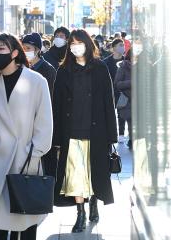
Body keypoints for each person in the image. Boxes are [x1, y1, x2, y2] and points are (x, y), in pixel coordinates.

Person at [0, 33, 53, 240]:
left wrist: (35, 152)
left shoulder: (36, 81)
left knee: (25, 217)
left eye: (1, 49)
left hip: (25, 158)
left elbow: (45, 121)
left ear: (15, 52)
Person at [52, 29, 117, 233]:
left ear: (88, 44)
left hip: (96, 131)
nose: (75, 46)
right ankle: (80, 213)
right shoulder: (64, 70)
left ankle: (94, 202)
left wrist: (112, 135)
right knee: (75, 175)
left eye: (79, 42)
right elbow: (57, 104)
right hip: (71, 131)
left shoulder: (100, 68)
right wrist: (56, 137)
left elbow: (109, 101)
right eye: (72, 43)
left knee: (94, 172)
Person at [22, 33, 58, 177]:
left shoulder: (48, 70)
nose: (25, 51)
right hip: (24, 125)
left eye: (28, 48)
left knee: (43, 167)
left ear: (37, 50)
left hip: (41, 122)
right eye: (23, 47)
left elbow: (52, 100)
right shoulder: (20, 68)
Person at [104, 39, 126, 142]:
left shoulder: (127, 61)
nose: (123, 47)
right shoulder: (106, 62)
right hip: (109, 91)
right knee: (109, 113)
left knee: (121, 113)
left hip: (123, 92)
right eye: (120, 45)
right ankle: (110, 133)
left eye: (123, 45)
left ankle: (121, 133)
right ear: (114, 48)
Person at [114, 48, 133, 149]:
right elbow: (117, 84)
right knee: (129, 120)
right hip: (127, 101)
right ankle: (130, 139)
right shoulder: (123, 67)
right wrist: (131, 82)